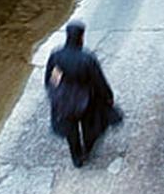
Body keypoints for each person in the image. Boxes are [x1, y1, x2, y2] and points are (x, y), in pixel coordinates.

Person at [45, 21, 121, 168]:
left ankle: (76, 157)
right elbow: (99, 81)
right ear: (81, 37)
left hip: (65, 101)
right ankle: (88, 149)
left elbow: (51, 79)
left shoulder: (56, 56)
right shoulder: (86, 58)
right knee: (90, 127)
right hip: (87, 100)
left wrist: (55, 95)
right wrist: (108, 96)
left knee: (71, 130)